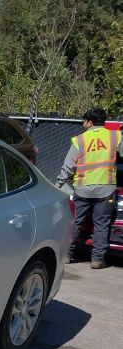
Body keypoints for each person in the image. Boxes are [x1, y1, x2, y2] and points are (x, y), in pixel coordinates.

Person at [56, 107, 122, 269]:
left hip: (82, 188)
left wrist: (58, 185)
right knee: (101, 223)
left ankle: (66, 255)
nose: (82, 125)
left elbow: (68, 166)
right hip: (105, 188)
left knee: (75, 222)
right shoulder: (115, 136)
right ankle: (97, 259)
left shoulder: (80, 140)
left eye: (83, 122)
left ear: (89, 122)